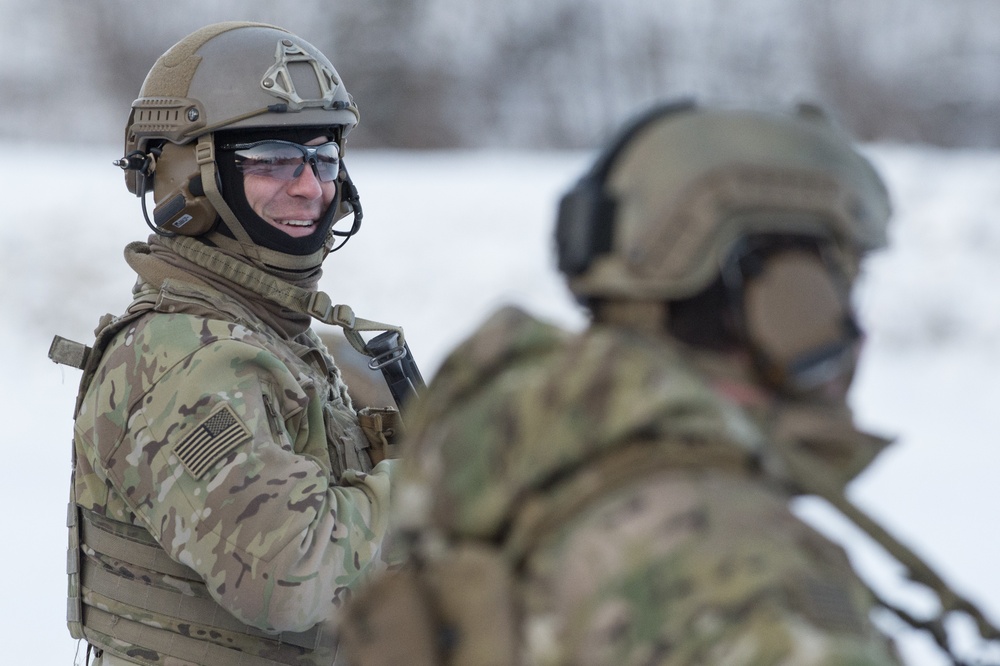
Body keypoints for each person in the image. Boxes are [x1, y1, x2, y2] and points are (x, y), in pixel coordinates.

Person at [337, 101, 1000, 665]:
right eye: (842, 279)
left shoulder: (514, 486)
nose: (850, 321)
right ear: (784, 289)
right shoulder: (736, 572)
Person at [49, 21, 409, 666]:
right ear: (190, 174)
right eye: (271, 159)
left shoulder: (268, 332)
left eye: (323, 158)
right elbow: (291, 574)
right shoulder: (186, 357)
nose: (309, 186)